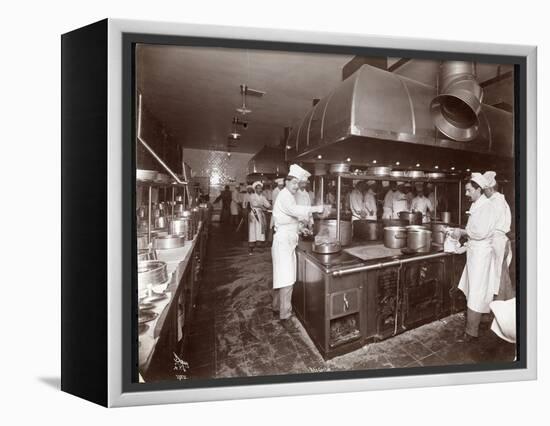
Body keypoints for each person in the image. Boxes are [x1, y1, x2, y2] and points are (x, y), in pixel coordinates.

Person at [271, 164, 325, 322]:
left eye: (298, 183)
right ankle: (285, 313)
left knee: (280, 276)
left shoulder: (287, 194)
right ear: (287, 182)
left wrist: (300, 228)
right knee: (286, 277)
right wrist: (317, 208)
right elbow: (295, 211)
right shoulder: (285, 195)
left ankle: (276, 306)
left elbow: (291, 217)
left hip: (287, 239)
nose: (295, 186)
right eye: (293, 182)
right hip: (283, 241)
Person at [452, 173, 498, 341]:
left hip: (481, 256)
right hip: (475, 253)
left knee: (477, 292)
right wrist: (464, 247)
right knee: (476, 290)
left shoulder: (486, 206)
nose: (466, 194)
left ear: (478, 189)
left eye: (468, 190)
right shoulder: (477, 204)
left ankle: (471, 332)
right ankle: (482, 320)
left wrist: (461, 232)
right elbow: (474, 234)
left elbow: (480, 233)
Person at [483, 171, 514, 300]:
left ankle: (498, 312)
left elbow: (488, 226)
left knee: (498, 279)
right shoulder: (502, 200)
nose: (483, 193)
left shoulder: (494, 202)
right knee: (504, 276)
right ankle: (509, 310)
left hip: (498, 243)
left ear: (490, 188)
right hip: (504, 242)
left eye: (484, 190)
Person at [247, 181, 271, 254]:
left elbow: (267, 205)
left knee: (260, 229)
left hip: (260, 214)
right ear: (255, 189)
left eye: (260, 188)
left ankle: (259, 245)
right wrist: (262, 207)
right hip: (253, 214)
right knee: (253, 230)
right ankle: (251, 247)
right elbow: (254, 204)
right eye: (258, 188)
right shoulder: (252, 196)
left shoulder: (263, 197)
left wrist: (273, 207)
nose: (260, 190)